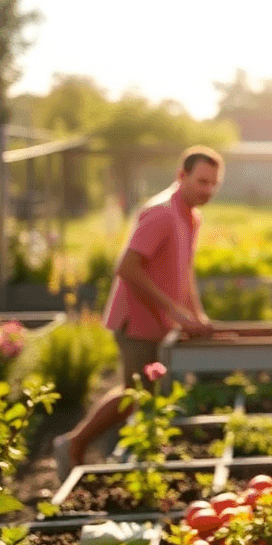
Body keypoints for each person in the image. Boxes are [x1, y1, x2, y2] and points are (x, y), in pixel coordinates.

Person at [54, 146, 222, 477]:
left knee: (147, 393)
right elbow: (127, 268)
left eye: (214, 184)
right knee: (134, 393)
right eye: (202, 181)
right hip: (136, 320)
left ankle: (139, 454)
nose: (208, 190)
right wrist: (177, 310)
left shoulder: (191, 216)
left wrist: (196, 315)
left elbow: (184, 271)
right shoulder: (160, 213)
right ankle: (73, 443)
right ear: (181, 175)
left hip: (159, 320)